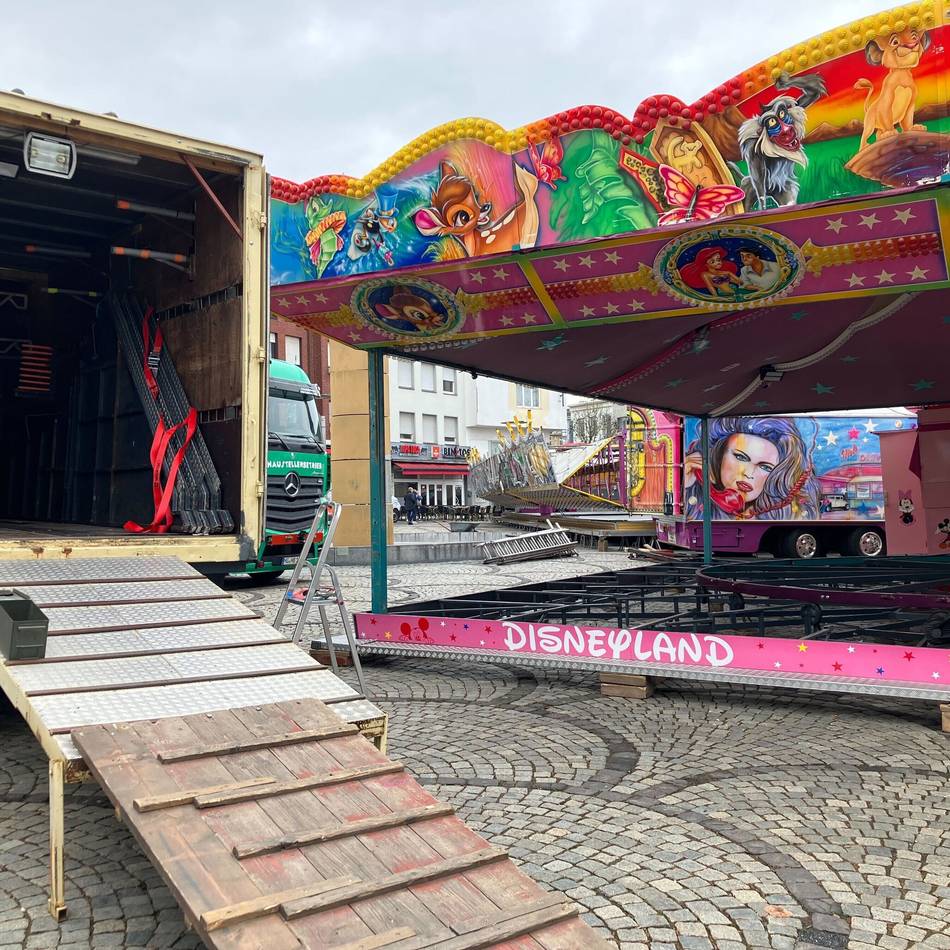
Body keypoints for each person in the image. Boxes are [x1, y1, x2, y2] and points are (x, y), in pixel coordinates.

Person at [684, 417, 820, 521]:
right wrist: (685, 484)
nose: (748, 474)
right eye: (741, 457)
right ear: (718, 455)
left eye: (765, 467)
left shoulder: (786, 512)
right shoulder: (699, 501)